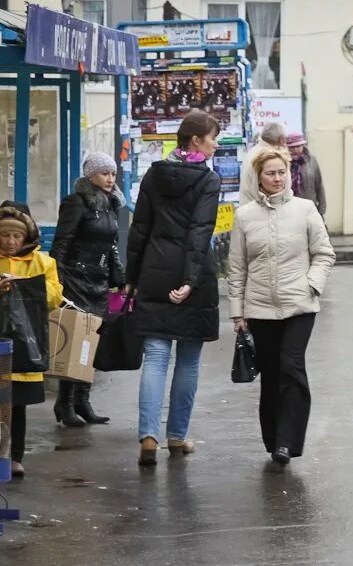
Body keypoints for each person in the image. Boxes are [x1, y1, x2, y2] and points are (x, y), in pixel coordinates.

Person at [126, 109, 222, 466]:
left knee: (156, 356)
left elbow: (139, 228)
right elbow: (200, 233)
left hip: (153, 270)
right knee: (189, 361)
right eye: (212, 137)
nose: (216, 144)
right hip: (190, 274)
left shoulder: (154, 174)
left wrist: (131, 278)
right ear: (196, 140)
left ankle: (148, 437)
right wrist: (190, 280)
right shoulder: (207, 181)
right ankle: (177, 436)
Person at [229, 150, 335, 466]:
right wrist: (238, 311)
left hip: (299, 306)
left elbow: (324, 253)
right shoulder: (244, 216)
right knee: (272, 374)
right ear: (258, 178)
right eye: (270, 174)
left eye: (281, 172)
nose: (277, 178)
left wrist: (311, 284)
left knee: (291, 367)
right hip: (259, 309)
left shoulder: (305, 209)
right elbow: (237, 267)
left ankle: (288, 443)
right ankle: (273, 439)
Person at [50, 152, 125, 427]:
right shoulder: (76, 203)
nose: (110, 178)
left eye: (113, 174)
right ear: (90, 175)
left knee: (92, 343)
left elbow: (112, 245)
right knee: (76, 341)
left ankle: (83, 401)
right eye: (105, 173)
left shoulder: (110, 204)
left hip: (99, 280)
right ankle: (64, 403)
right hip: (75, 280)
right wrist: (57, 281)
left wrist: (120, 277)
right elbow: (61, 243)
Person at [1, 201, 65, 477]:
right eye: (5, 235)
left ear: (27, 236)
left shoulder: (43, 262)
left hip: (25, 343)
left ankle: (14, 456)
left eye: (17, 235)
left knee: (16, 404)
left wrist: (24, 286)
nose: (11, 241)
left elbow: (54, 296)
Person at [240, 122, 286, 207]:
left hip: (248, 207)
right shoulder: (272, 157)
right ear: (281, 139)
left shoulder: (252, 153)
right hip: (262, 210)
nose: (277, 178)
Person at [286, 133, 327, 217]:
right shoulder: (284, 162)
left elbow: (319, 185)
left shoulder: (312, 161)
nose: (295, 149)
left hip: (310, 207)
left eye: (298, 146)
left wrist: (322, 209)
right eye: (292, 147)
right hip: (290, 209)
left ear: (303, 146)